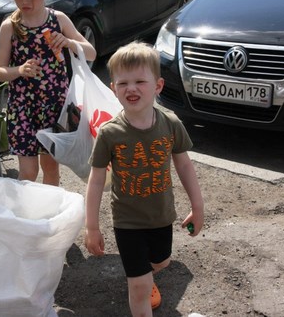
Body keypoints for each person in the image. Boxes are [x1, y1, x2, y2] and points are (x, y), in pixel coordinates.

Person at [84, 42, 204, 316]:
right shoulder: (109, 133)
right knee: (138, 288)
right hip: (127, 221)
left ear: (158, 86)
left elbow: (184, 165)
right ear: (113, 88)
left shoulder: (170, 123)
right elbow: (95, 180)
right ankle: (139, 280)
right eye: (123, 83)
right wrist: (92, 227)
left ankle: (143, 274)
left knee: (162, 261)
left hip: (161, 216)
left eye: (140, 81)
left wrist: (197, 207)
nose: (131, 88)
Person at [0, 0, 96, 186]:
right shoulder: (10, 26)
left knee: (51, 170)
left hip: (54, 107)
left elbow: (91, 53)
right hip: (22, 110)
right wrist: (19, 70)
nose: (24, 1)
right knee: (28, 173)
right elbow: (0, 71)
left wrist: (69, 43)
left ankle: (50, 216)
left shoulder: (57, 20)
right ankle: (28, 216)